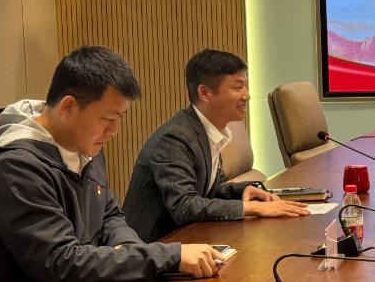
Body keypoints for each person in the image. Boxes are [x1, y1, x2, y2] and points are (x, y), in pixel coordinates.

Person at [0, 46, 223, 282]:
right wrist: (167, 257)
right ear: (68, 107)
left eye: (119, 118)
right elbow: (61, 262)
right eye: (107, 119)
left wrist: (133, 252)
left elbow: (110, 215)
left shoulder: (84, 145)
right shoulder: (17, 165)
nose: (114, 131)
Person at [124, 49, 308, 244]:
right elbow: (184, 206)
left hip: (189, 238)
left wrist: (242, 191)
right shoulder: (176, 138)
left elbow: (210, 190)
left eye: (245, 86)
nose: (247, 96)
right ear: (205, 93)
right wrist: (254, 208)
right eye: (238, 87)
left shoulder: (207, 130)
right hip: (153, 247)